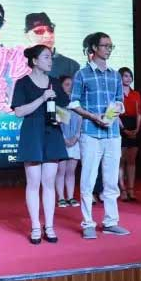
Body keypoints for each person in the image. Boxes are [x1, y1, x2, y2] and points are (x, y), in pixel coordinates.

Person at [69, 32, 130, 239]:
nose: (108, 49)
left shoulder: (115, 75)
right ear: (94, 48)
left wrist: (110, 116)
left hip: (112, 133)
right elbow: (74, 103)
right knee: (88, 179)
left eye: (111, 46)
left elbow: (119, 101)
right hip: (90, 133)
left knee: (111, 180)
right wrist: (94, 117)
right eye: (105, 46)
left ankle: (111, 222)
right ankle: (88, 223)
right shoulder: (82, 74)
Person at [11, 44, 69, 244]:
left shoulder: (55, 82)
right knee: (33, 182)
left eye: (51, 57)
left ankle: (49, 226)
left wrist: (61, 117)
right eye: (46, 57)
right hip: (32, 133)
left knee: (49, 182)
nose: (50, 61)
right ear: (34, 61)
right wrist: (42, 98)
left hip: (52, 133)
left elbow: (65, 111)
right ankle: (36, 226)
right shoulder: (23, 83)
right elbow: (19, 111)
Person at [25, 12, 80, 79]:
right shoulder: (19, 63)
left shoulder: (71, 66)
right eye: (39, 31)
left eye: (50, 30)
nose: (47, 35)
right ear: (27, 36)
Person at [55, 75, 82, 208]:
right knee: (61, 171)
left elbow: (81, 121)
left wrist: (76, 137)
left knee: (71, 171)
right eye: (67, 84)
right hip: (62, 141)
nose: (70, 87)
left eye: (72, 85)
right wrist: (65, 139)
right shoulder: (58, 103)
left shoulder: (77, 103)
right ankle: (61, 197)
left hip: (75, 141)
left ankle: (70, 197)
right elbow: (58, 124)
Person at [118, 67, 141, 201]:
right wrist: (124, 129)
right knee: (121, 160)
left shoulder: (136, 94)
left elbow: (139, 113)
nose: (128, 78)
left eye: (130, 76)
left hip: (134, 125)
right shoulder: (116, 93)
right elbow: (114, 113)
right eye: (125, 76)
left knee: (131, 160)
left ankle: (131, 189)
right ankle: (122, 189)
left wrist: (137, 129)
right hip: (120, 124)